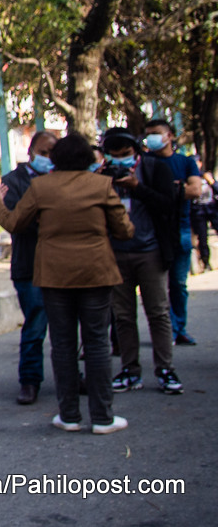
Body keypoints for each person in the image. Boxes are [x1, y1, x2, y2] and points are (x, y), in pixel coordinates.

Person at [0, 134, 133, 434]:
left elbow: (14, 223)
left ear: (56, 159)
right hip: (96, 273)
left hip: (54, 275)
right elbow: (124, 230)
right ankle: (102, 417)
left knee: (62, 344)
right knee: (96, 343)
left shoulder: (41, 187)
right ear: (87, 158)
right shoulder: (102, 186)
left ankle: (69, 415)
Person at [101, 128, 184, 396]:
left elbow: (168, 205)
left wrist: (138, 189)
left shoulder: (154, 168)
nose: (121, 161)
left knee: (158, 312)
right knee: (123, 316)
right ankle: (129, 369)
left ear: (136, 150)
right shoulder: (104, 174)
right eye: (115, 157)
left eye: (125, 155)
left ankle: (165, 368)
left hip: (150, 251)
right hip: (116, 253)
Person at [0, 130, 57, 406]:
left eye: (52, 154)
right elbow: (14, 218)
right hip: (28, 264)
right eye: (43, 153)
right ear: (31, 152)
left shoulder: (61, 179)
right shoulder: (13, 181)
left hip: (59, 265)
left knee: (65, 327)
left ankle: (70, 376)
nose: (47, 159)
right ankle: (30, 380)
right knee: (35, 323)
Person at [142, 119, 204, 345]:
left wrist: (163, 191)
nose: (151, 138)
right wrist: (177, 188)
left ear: (169, 136)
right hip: (153, 233)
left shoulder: (185, 162)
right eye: (148, 134)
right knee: (156, 288)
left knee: (178, 284)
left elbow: (195, 190)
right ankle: (164, 330)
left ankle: (178, 328)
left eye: (156, 133)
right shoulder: (144, 162)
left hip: (181, 230)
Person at [192, 164, 217, 272]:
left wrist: (211, 181)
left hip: (212, 209)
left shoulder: (207, 176)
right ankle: (205, 261)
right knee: (202, 238)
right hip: (199, 212)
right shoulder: (190, 178)